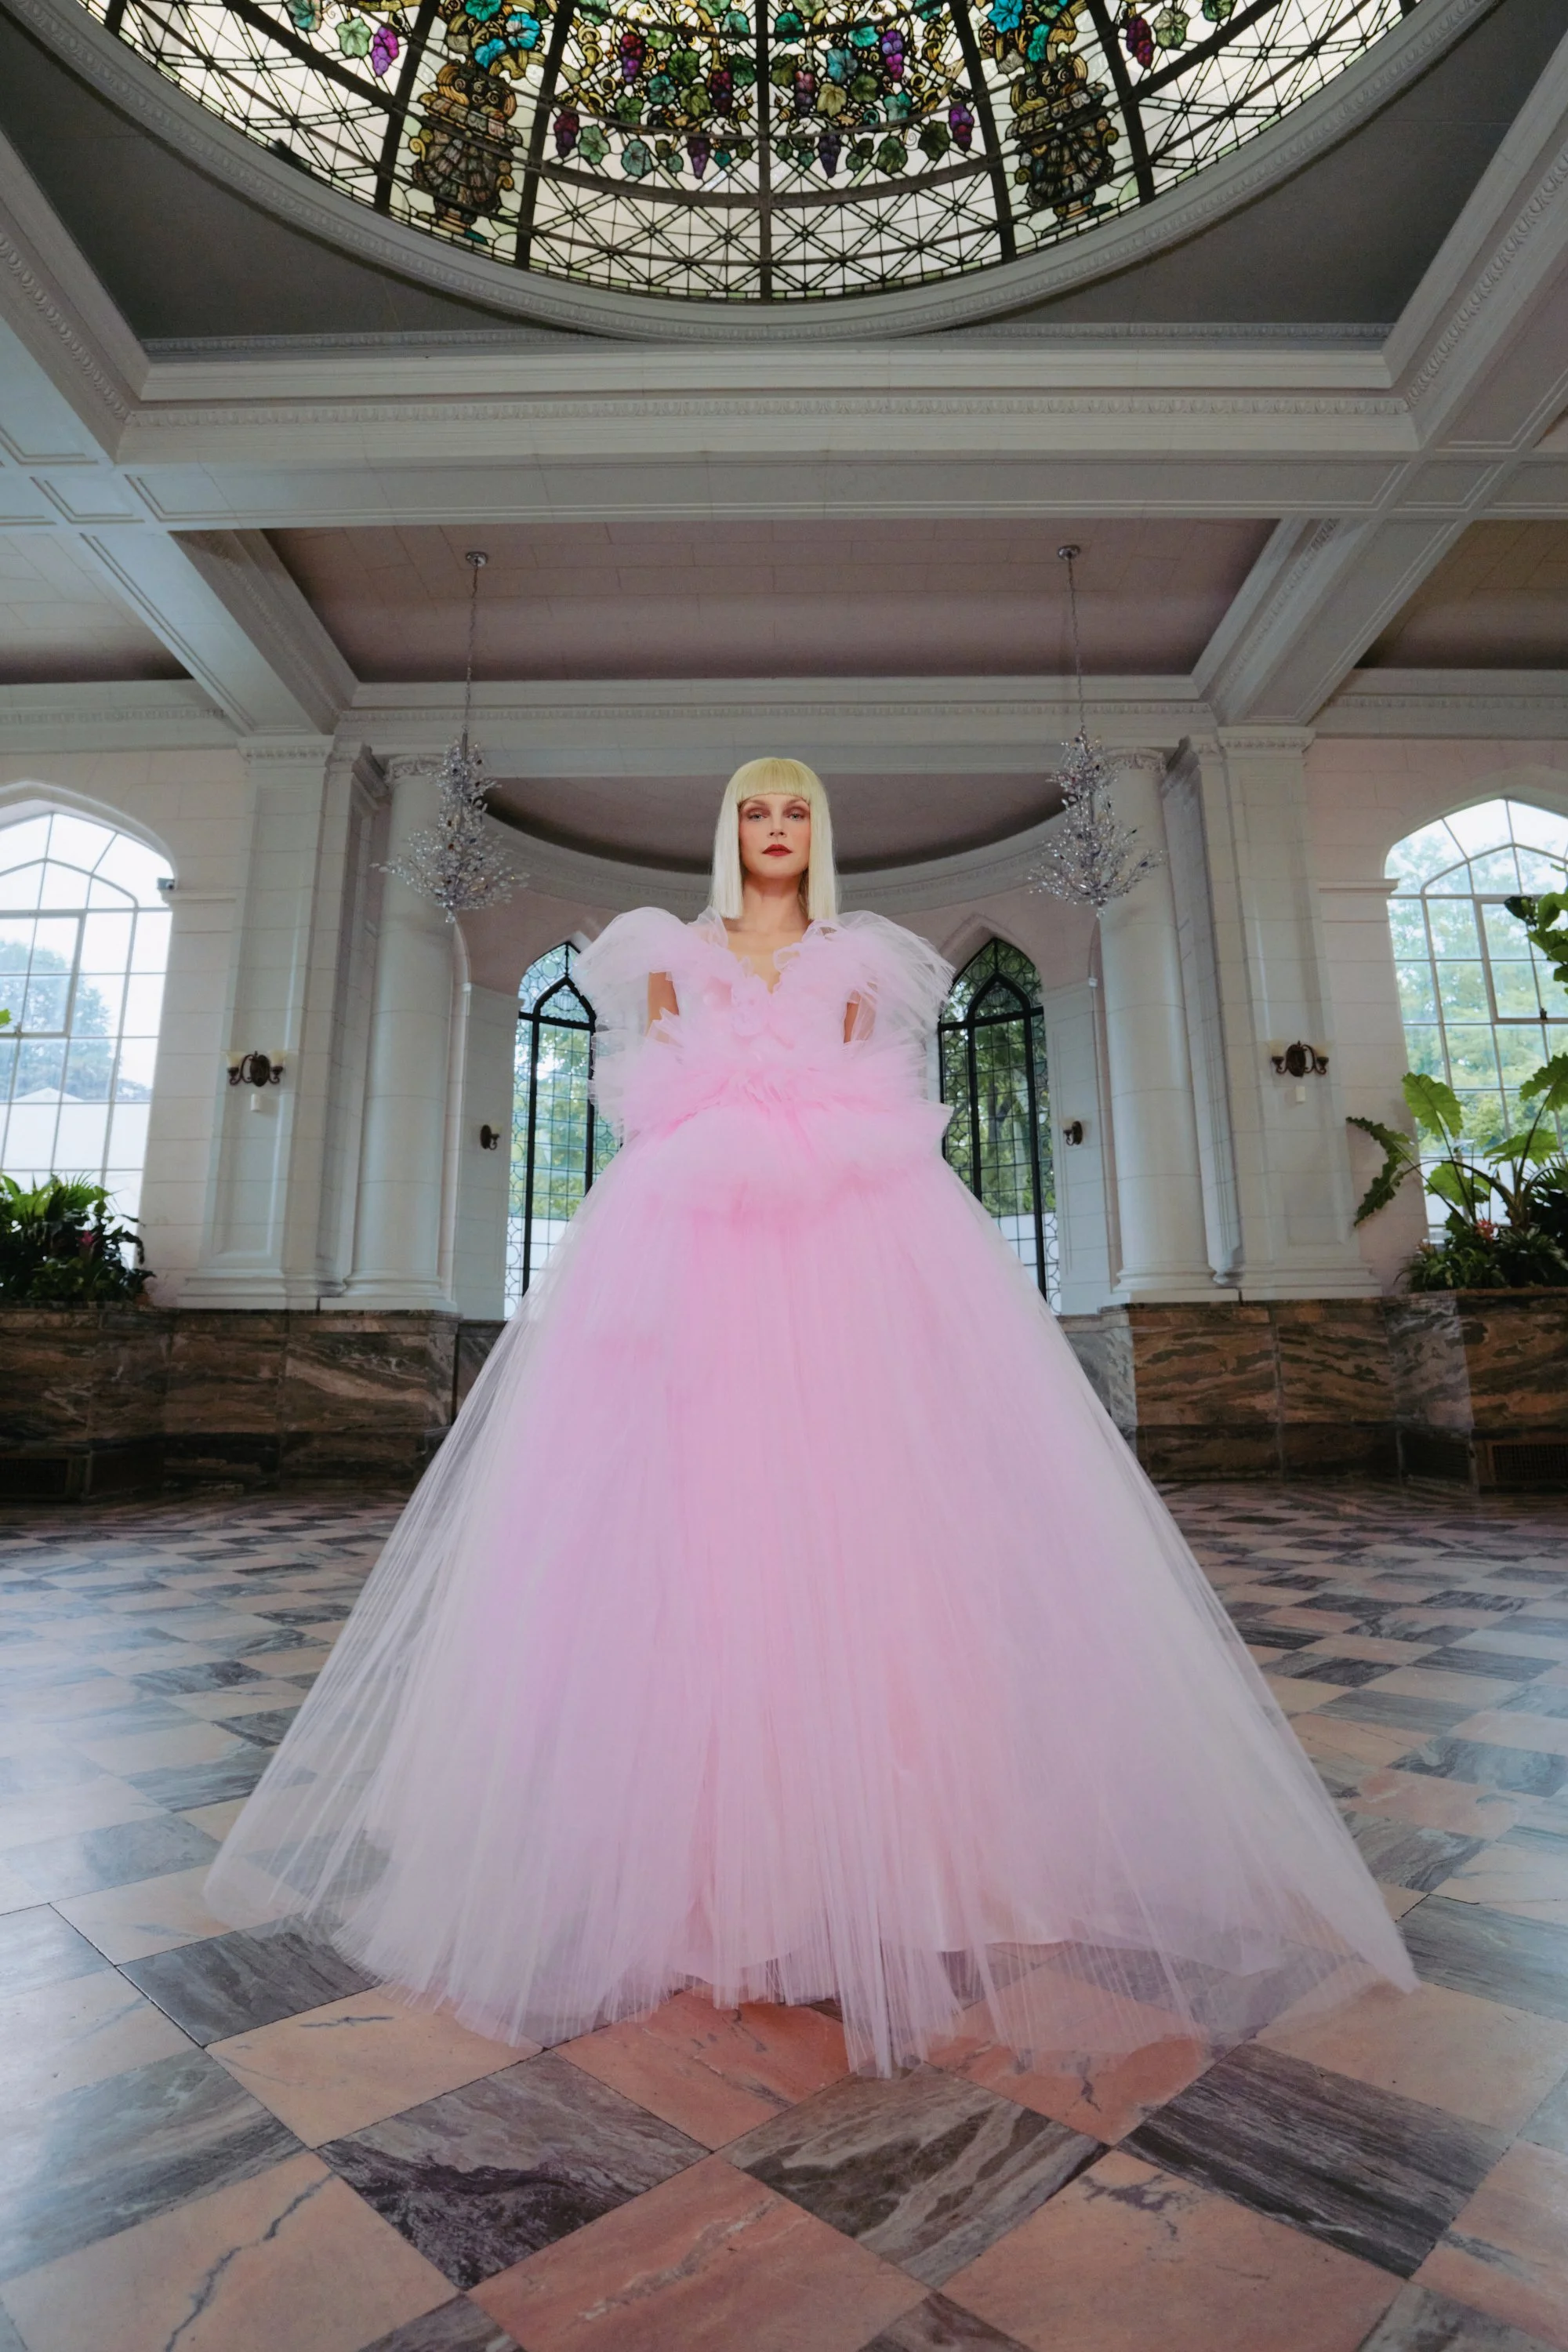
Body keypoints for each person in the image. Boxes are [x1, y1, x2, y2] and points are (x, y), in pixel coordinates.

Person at [205, 757, 1413, 2078]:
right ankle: (681, 1870)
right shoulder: (665, 951)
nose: (775, 831)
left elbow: (884, 1107)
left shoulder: (861, 961)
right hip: (695, 1250)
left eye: (794, 813)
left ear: (816, 833)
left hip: (841, 1244)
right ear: (728, 833)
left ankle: (900, 1854)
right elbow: (654, 1095)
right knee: (686, 1530)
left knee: (864, 1531)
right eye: (754, 814)